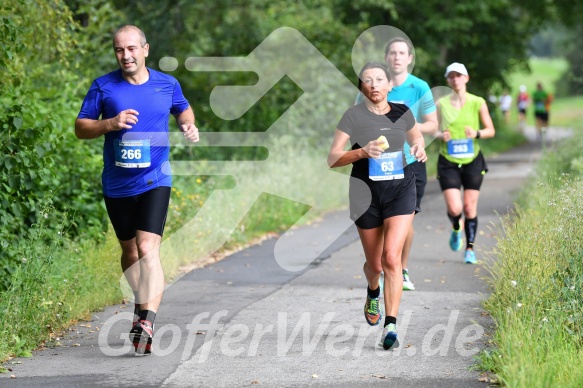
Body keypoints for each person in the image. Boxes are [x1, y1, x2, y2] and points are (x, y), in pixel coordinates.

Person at [74, 25, 199, 354]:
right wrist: (110, 124)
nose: (126, 55)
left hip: (156, 179)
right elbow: (81, 127)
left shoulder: (166, 84)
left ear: (145, 49)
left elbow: (182, 106)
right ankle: (140, 304)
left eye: (131, 49)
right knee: (129, 252)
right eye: (119, 50)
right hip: (117, 184)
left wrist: (188, 122)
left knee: (148, 249)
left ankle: (147, 319)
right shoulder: (103, 86)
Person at [328, 62, 427, 350]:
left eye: (379, 79)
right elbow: (332, 158)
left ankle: (391, 325)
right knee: (374, 266)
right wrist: (361, 151)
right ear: (362, 87)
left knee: (391, 259)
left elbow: (416, 137)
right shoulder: (352, 116)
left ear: (389, 86)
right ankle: (373, 290)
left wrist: (419, 147)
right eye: (368, 80)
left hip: (401, 190)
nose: (374, 85)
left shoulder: (402, 112)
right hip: (365, 195)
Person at [383, 37, 438, 291]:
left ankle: (401, 269)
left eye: (401, 53)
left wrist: (408, 126)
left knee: (406, 218)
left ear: (409, 58)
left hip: (412, 159)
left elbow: (433, 124)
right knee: (386, 220)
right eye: (392, 53)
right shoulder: (375, 85)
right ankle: (388, 266)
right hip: (382, 161)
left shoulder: (419, 87)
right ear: (387, 58)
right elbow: (357, 119)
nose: (396, 57)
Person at [435, 62, 495, 264]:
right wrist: (439, 134)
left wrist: (476, 133)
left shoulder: (477, 102)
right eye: (451, 76)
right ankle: (455, 228)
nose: (455, 79)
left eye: (459, 75)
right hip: (448, 161)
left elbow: (490, 130)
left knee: (469, 208)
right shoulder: (441, 104)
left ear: (466, 78)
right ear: (447, 80)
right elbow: (430, 128)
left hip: (472, 160)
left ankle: (470, 248)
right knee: (454, 208)